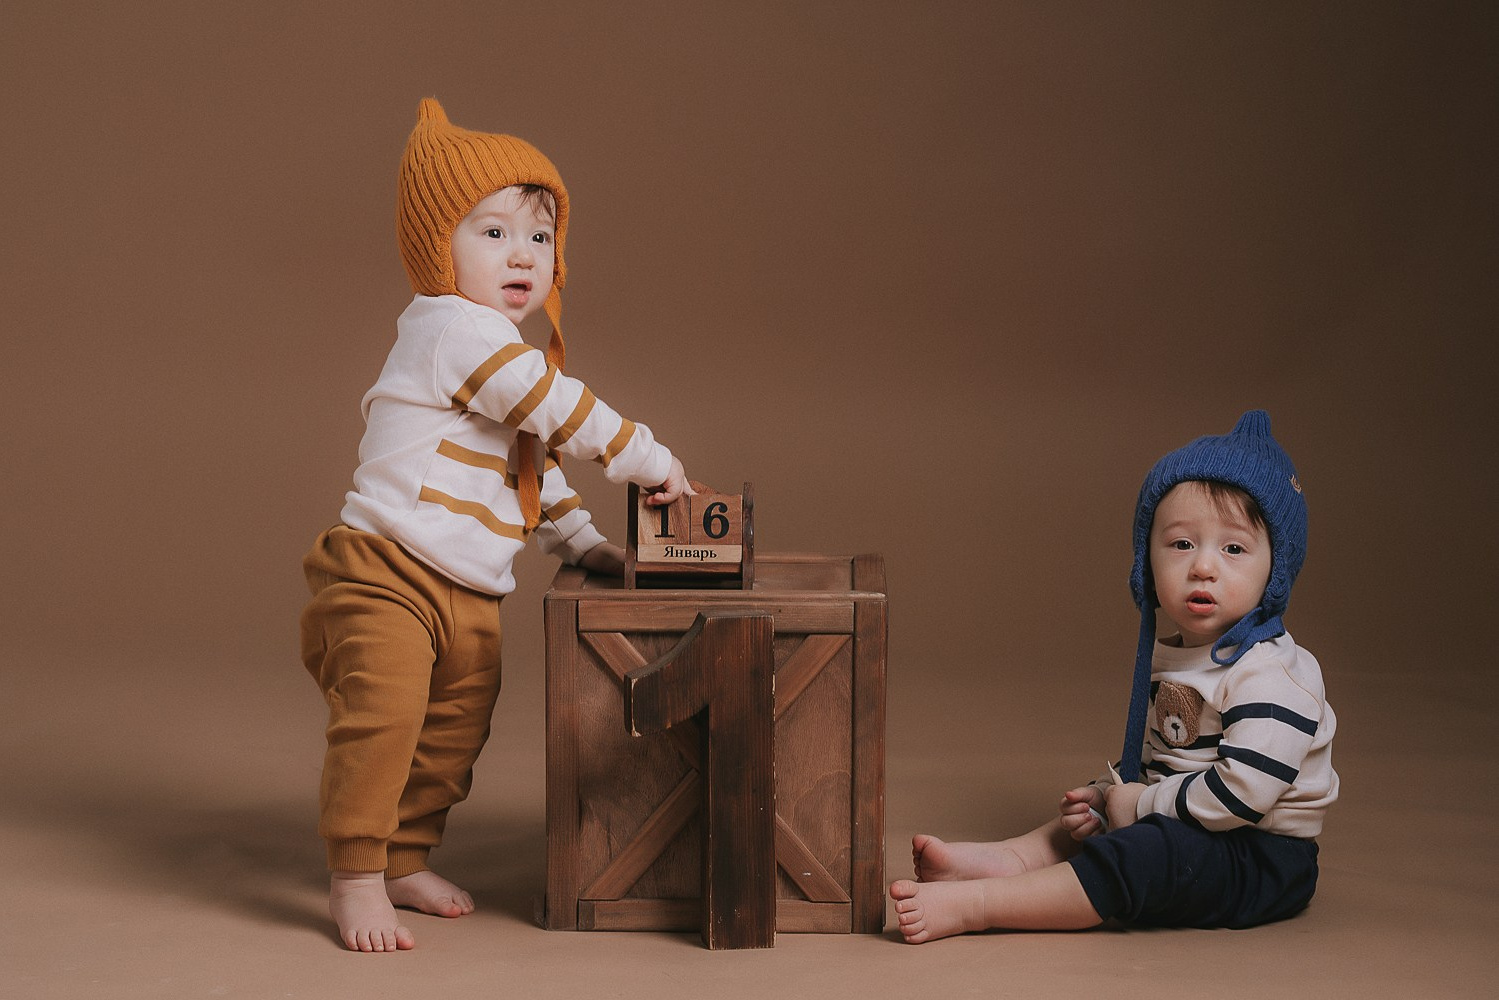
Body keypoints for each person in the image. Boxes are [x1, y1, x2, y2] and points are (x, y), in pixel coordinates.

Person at [300, 98, 691, 952]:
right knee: (384, 722)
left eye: (540, 238)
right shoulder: (451, 329)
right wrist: (647, 458)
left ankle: (402, 858)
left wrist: (583, 543)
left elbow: (530, 467)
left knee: (452, 733)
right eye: (493, 233)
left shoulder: (498, 356)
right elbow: (552, 407)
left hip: (470, 591)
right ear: (436, 249)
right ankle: (356, 874)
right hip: (385, 573)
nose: (523, 255)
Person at [890, 410, 1337, 942]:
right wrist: (1110, 795)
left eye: (1233, 549)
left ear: (1275, 570)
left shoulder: (1271, 674)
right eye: (1182, 544)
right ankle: (1011, 859)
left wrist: (1140, 804)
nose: (1203, 566)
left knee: (1144, 854)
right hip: (1198, 819)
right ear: (1147, 562)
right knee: (1098, 812)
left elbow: (1241, 794)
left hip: (1261, 855)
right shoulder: (1181, 654)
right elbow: (1169, 759)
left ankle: (983, 904)